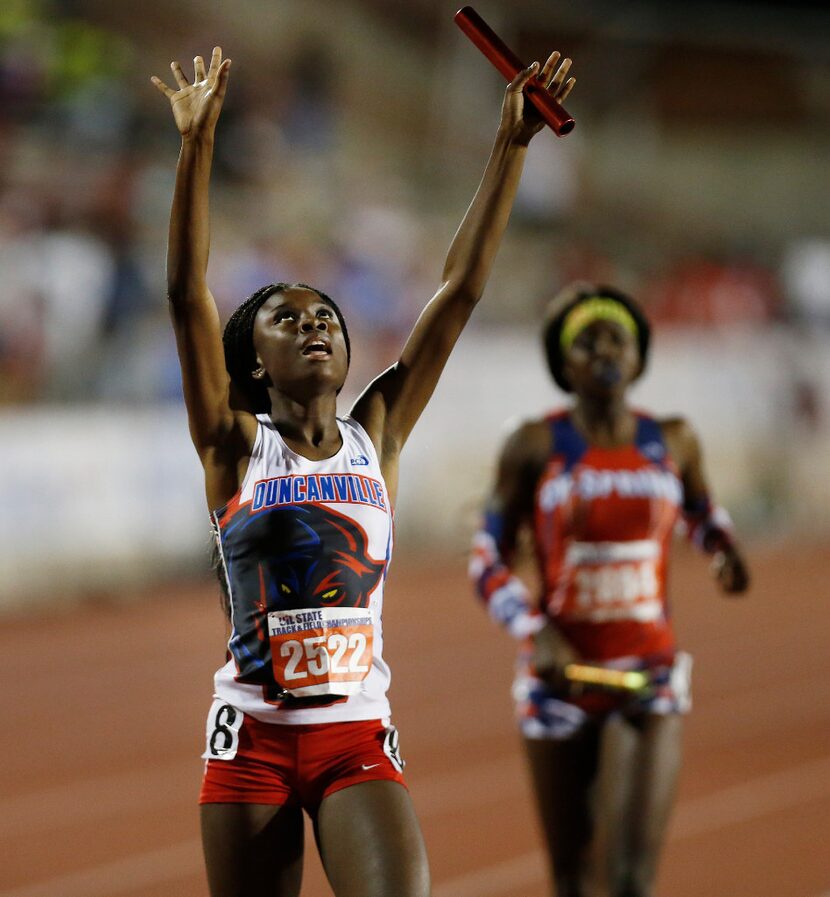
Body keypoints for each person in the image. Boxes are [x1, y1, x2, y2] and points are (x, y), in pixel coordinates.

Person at [151, 45, 575, 897]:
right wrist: (196, 146)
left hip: (355, 737)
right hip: (254, 739)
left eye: (326, 318)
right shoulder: (233, 446)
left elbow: (457, 293)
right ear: (255, 360)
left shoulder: (375, 432)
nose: (314, 325)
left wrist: (512, 145)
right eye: (286, 319)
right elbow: (186, 295)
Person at [470, 283, 750, 897]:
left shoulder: (674, 438)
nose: (604, 349)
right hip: (559, 682)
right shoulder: (533, 444)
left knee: (630, 881)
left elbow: (702, 513)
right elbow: (487, 559)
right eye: (585, 341)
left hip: (648, 676)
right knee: (573, 882)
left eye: (616, 336)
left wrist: (722, 549)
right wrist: (534, 630)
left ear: (638, 355)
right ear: (562, 365)